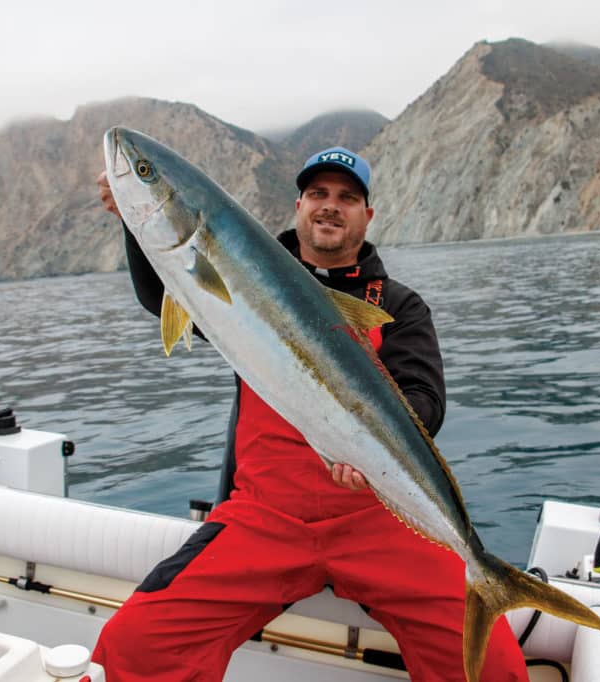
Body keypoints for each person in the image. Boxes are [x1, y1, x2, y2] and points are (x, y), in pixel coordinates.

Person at [92, 147, 528, 682]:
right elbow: (167, 288)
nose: (330, 206)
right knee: (139, 643)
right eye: (318, 194)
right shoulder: (240, 278)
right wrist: (135, 222)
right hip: (265, 516)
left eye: (347, 197)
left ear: (368, 216)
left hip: (380, 515)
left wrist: (365, 449)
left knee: (492, 669)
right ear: (298, 205)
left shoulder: (398, 305)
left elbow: (425, 401)